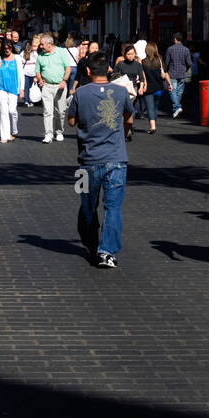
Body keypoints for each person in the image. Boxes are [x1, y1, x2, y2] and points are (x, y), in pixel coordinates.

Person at [67, 52, 133, 268]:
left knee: (87, 205)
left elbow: (71, 121)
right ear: (109, 70)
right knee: (113, 207)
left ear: (88, 71)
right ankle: (107, 251)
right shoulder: (122, 92)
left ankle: (91, 243)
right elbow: (129, 117)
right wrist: (123, 132)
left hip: (87, 161)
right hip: (117, 160)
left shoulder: (80, 94)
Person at [35, 32, 73, 143]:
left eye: (42, 44)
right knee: (47, 111)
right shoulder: (41, 56)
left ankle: (59, 131)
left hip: (60, 86)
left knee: (60, 111)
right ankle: (48, 134)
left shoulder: (61, 52)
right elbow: (37, 71)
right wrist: (40, 79)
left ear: (49, 44)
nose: (40, 47)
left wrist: (64, 80)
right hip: (47, 86)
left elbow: (68, 68)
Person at [141, 42, 171, 133]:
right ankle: (154, 122)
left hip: (148, 87)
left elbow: (142, 75)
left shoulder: (143, 62)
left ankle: (152, 127)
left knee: (150, 107)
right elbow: (165, 73)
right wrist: (170, 84)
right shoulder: (160, 60)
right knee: (155, 107)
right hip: (158, 87)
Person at [0, 39, 21, 143]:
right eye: (5, 48)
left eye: (9, 47)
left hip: (13, 87)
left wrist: (22, 88)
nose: (7, 50)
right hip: (1, 87)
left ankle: (14, 130)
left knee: (12, 110)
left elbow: (21, 74)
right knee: (3, 111)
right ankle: (4, 135)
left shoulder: (18, 58)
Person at [163, 32, 191, 118]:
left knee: (172, 91)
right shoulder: (186, 49)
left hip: (172, 73)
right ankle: (176, 111)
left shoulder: (170, 49)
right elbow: (189, 63)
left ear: (175, 39)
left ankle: (177, 107)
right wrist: (185, 69)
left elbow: (166, 63)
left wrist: (165, 71)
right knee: (179, 93)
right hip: (182, 74)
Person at [20, 40, 38, 106]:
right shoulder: (34, 53)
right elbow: (37, 63)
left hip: (25, 72)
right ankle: (29, 100)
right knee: (30, 87)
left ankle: (27, 101)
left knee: (26, 87)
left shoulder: (22, 53)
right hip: (32, 72)